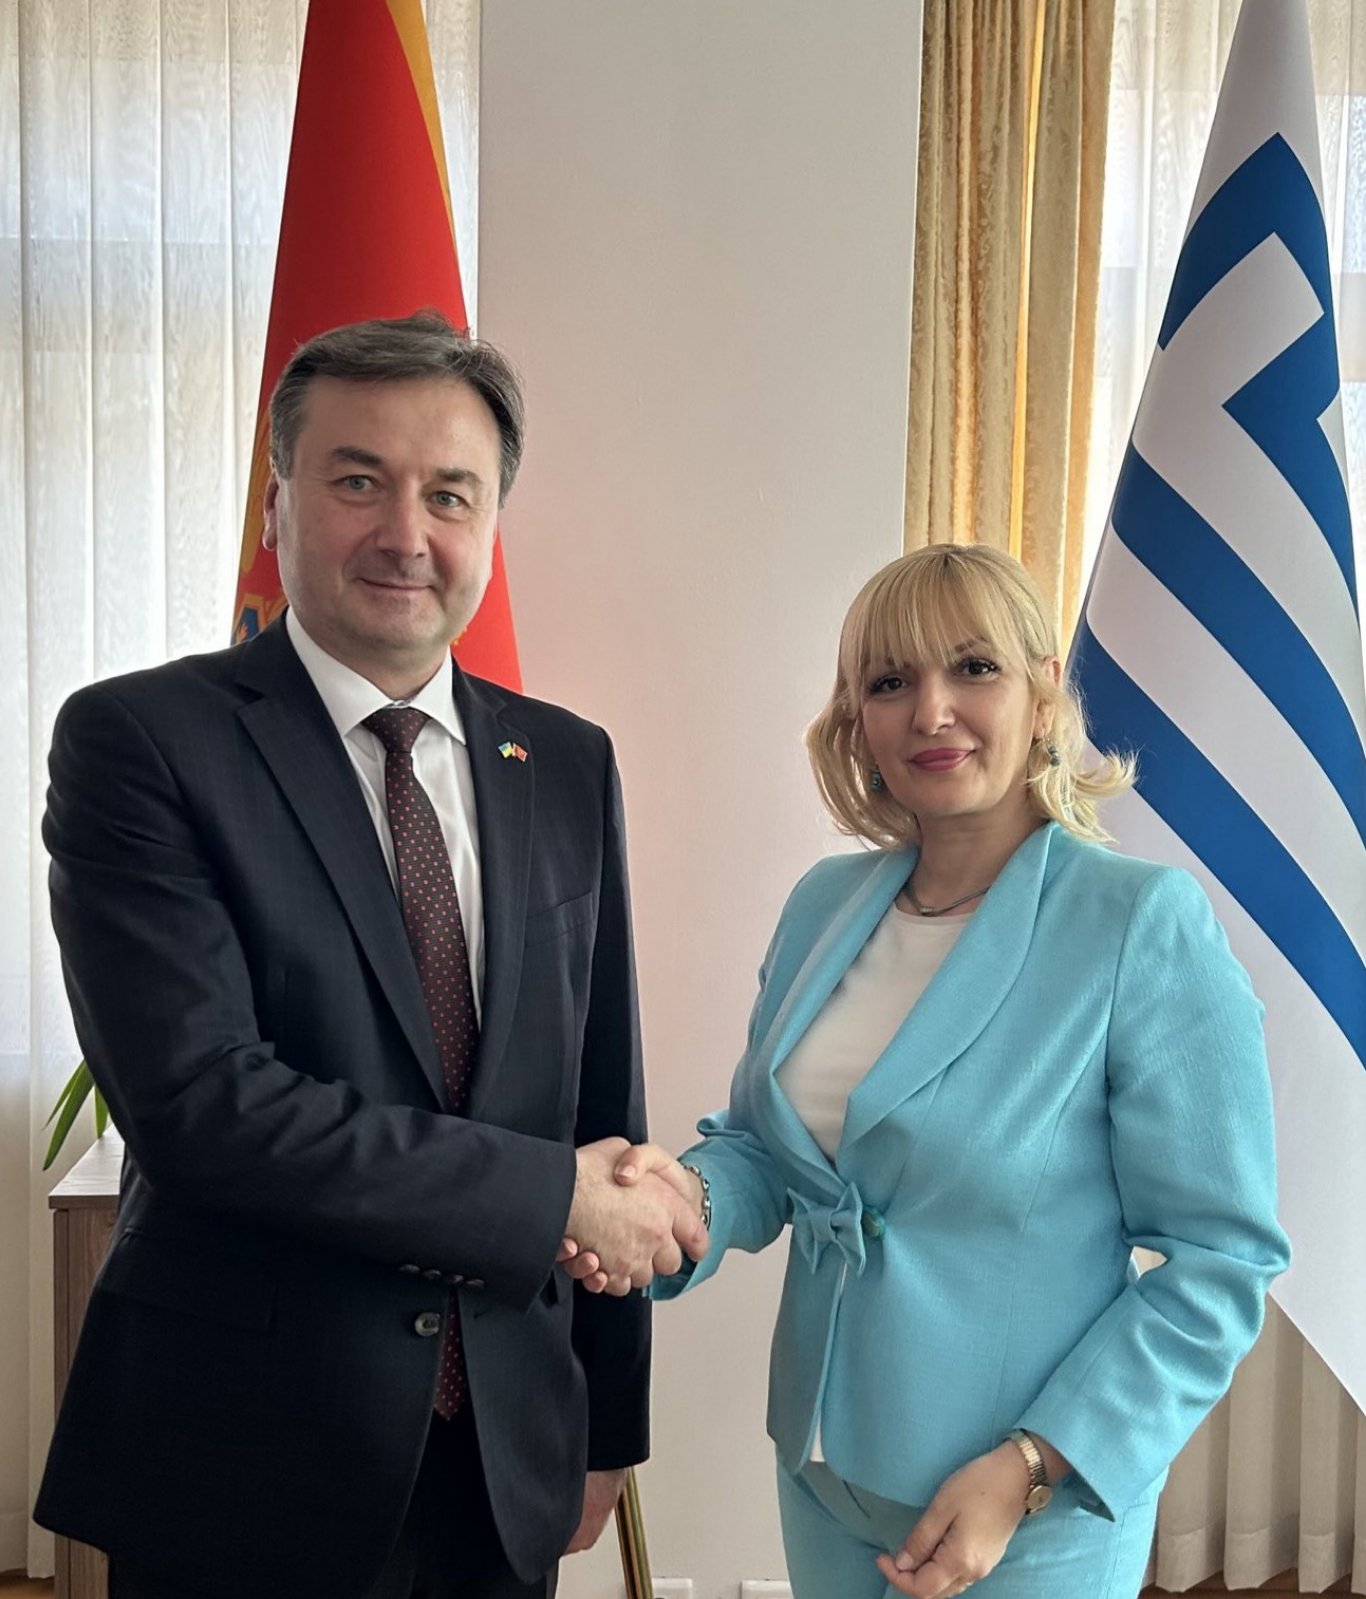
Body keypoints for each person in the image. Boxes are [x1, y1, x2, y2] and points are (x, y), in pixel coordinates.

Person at [35, 311, 707, 1599]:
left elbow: (600, 1102)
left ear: (490, 524)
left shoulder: (565, 761)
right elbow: (204, 1109)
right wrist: (549, 1200)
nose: (407, 533)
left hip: (503, 1447)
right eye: (358, 481)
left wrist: (604, 1422)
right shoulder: (143, 742)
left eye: (449, 493)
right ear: (277, 505)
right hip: (247, 1451)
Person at [563, 544, 1291, 1599]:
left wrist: (1031, 1467)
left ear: (1043, 693)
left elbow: (1220, 1264)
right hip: (821, 1471)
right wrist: (682, 1199)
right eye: (890, 681)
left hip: (1020, 1511)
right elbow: (768, 1149)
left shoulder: (1140, 923)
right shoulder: (823, 905)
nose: (931, 711)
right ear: (856, 720)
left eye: (974, 668)